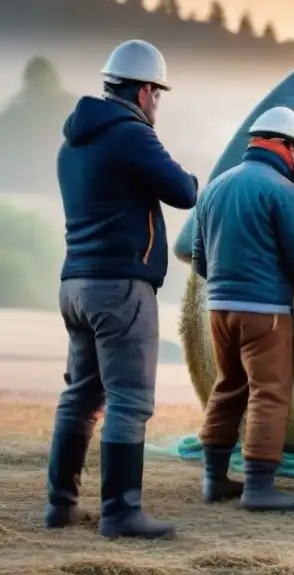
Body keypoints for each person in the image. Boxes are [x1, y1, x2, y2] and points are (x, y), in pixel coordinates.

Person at [46, 40, 199, 539]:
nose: (158, 104)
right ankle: (121, 513)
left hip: (76, 285)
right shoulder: (131, 134)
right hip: (120, 290)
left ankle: (61, 506)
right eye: (158, 94)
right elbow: (183, 191)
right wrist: (194, 176)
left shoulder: (74, 141)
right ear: (146, 90)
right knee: (130, 400)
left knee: (80, 397)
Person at [191, 105, 294, 512]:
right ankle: (259, 489)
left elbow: (201, 261)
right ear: (285, 145)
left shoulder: (216, 186)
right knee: (269, 393)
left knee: (228, 387)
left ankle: (214, 479)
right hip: (265, 312)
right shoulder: (282, 190)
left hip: (218, 309)